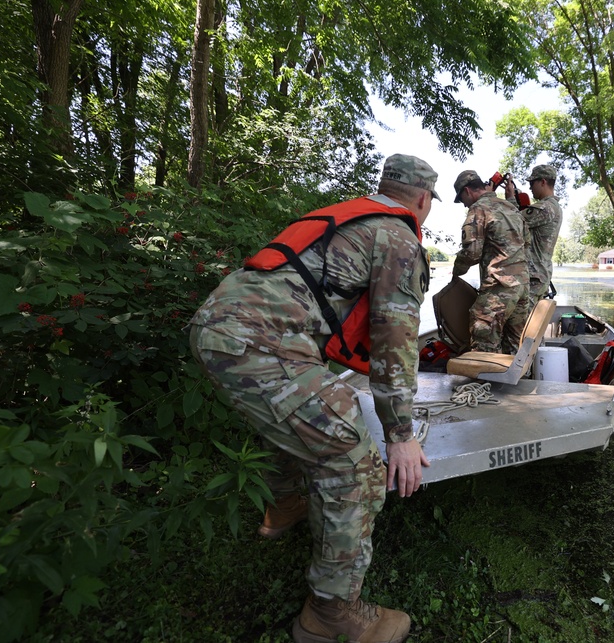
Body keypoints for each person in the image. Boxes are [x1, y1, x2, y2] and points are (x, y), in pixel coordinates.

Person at [188, 154, 439, 643]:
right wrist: (400, 436)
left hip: (213, 328)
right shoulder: (398, 239)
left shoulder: (343, 217)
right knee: (353, 462)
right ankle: (333, 613)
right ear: (424, 200)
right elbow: (395, 340)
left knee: (302, 419)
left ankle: (284, 506)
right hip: (259, 345)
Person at [451, 170, 530, 354]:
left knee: (483, 340)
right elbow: (527, 242)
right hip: (522, 288)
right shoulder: (511, 207)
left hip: (499, 288)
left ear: (467, 191)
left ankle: (486, 383)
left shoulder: (479, 209)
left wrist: (457, 270)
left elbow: (472, 252)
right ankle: (518, 383)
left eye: (461, 199)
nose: (463, 204)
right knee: (515, 347)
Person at [508, 164, 563, 308]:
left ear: (543, 182)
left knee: (523, 325)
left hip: (534, 278)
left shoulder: (545, 207)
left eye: (532, 183)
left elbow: (512, 222)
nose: (530, 187)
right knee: (530, 324)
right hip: (539, 275)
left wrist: (510, 199)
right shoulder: (553, 207)